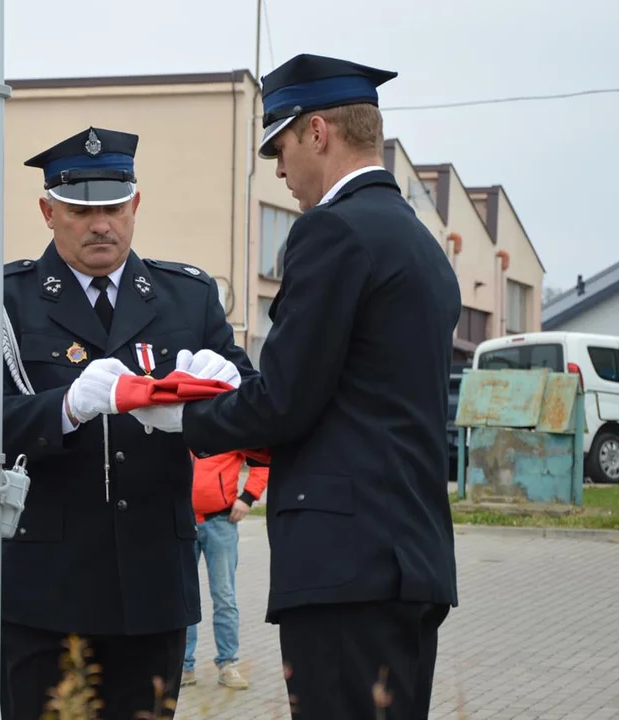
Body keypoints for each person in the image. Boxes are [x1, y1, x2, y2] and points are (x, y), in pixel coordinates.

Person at [135, 54, 462, 719]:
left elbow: (285, 399)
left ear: (317, 133)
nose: (277, 169)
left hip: (343, 563)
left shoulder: (332, 231)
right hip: (408, 555)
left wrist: (179, 415)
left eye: (279, 147)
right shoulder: (419, 243)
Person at [0, 126, 255, 720]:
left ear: (135, 205)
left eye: (114, 206)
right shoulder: (6, 300)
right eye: (81, 209)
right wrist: (63, 409)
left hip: (152, 583)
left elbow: (246, 415)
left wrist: (222, 395)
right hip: (46, 587)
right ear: (47, 211)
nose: (100, 224)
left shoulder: (187, 297)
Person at [181, 451, 269, 690]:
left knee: (224, 597)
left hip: (220, 522)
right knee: (182, 599)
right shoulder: (178, 423)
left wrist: (249, 496)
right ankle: (183, 665)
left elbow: (262, 459)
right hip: (182, 524)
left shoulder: (225, 423)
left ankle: (228, 663)